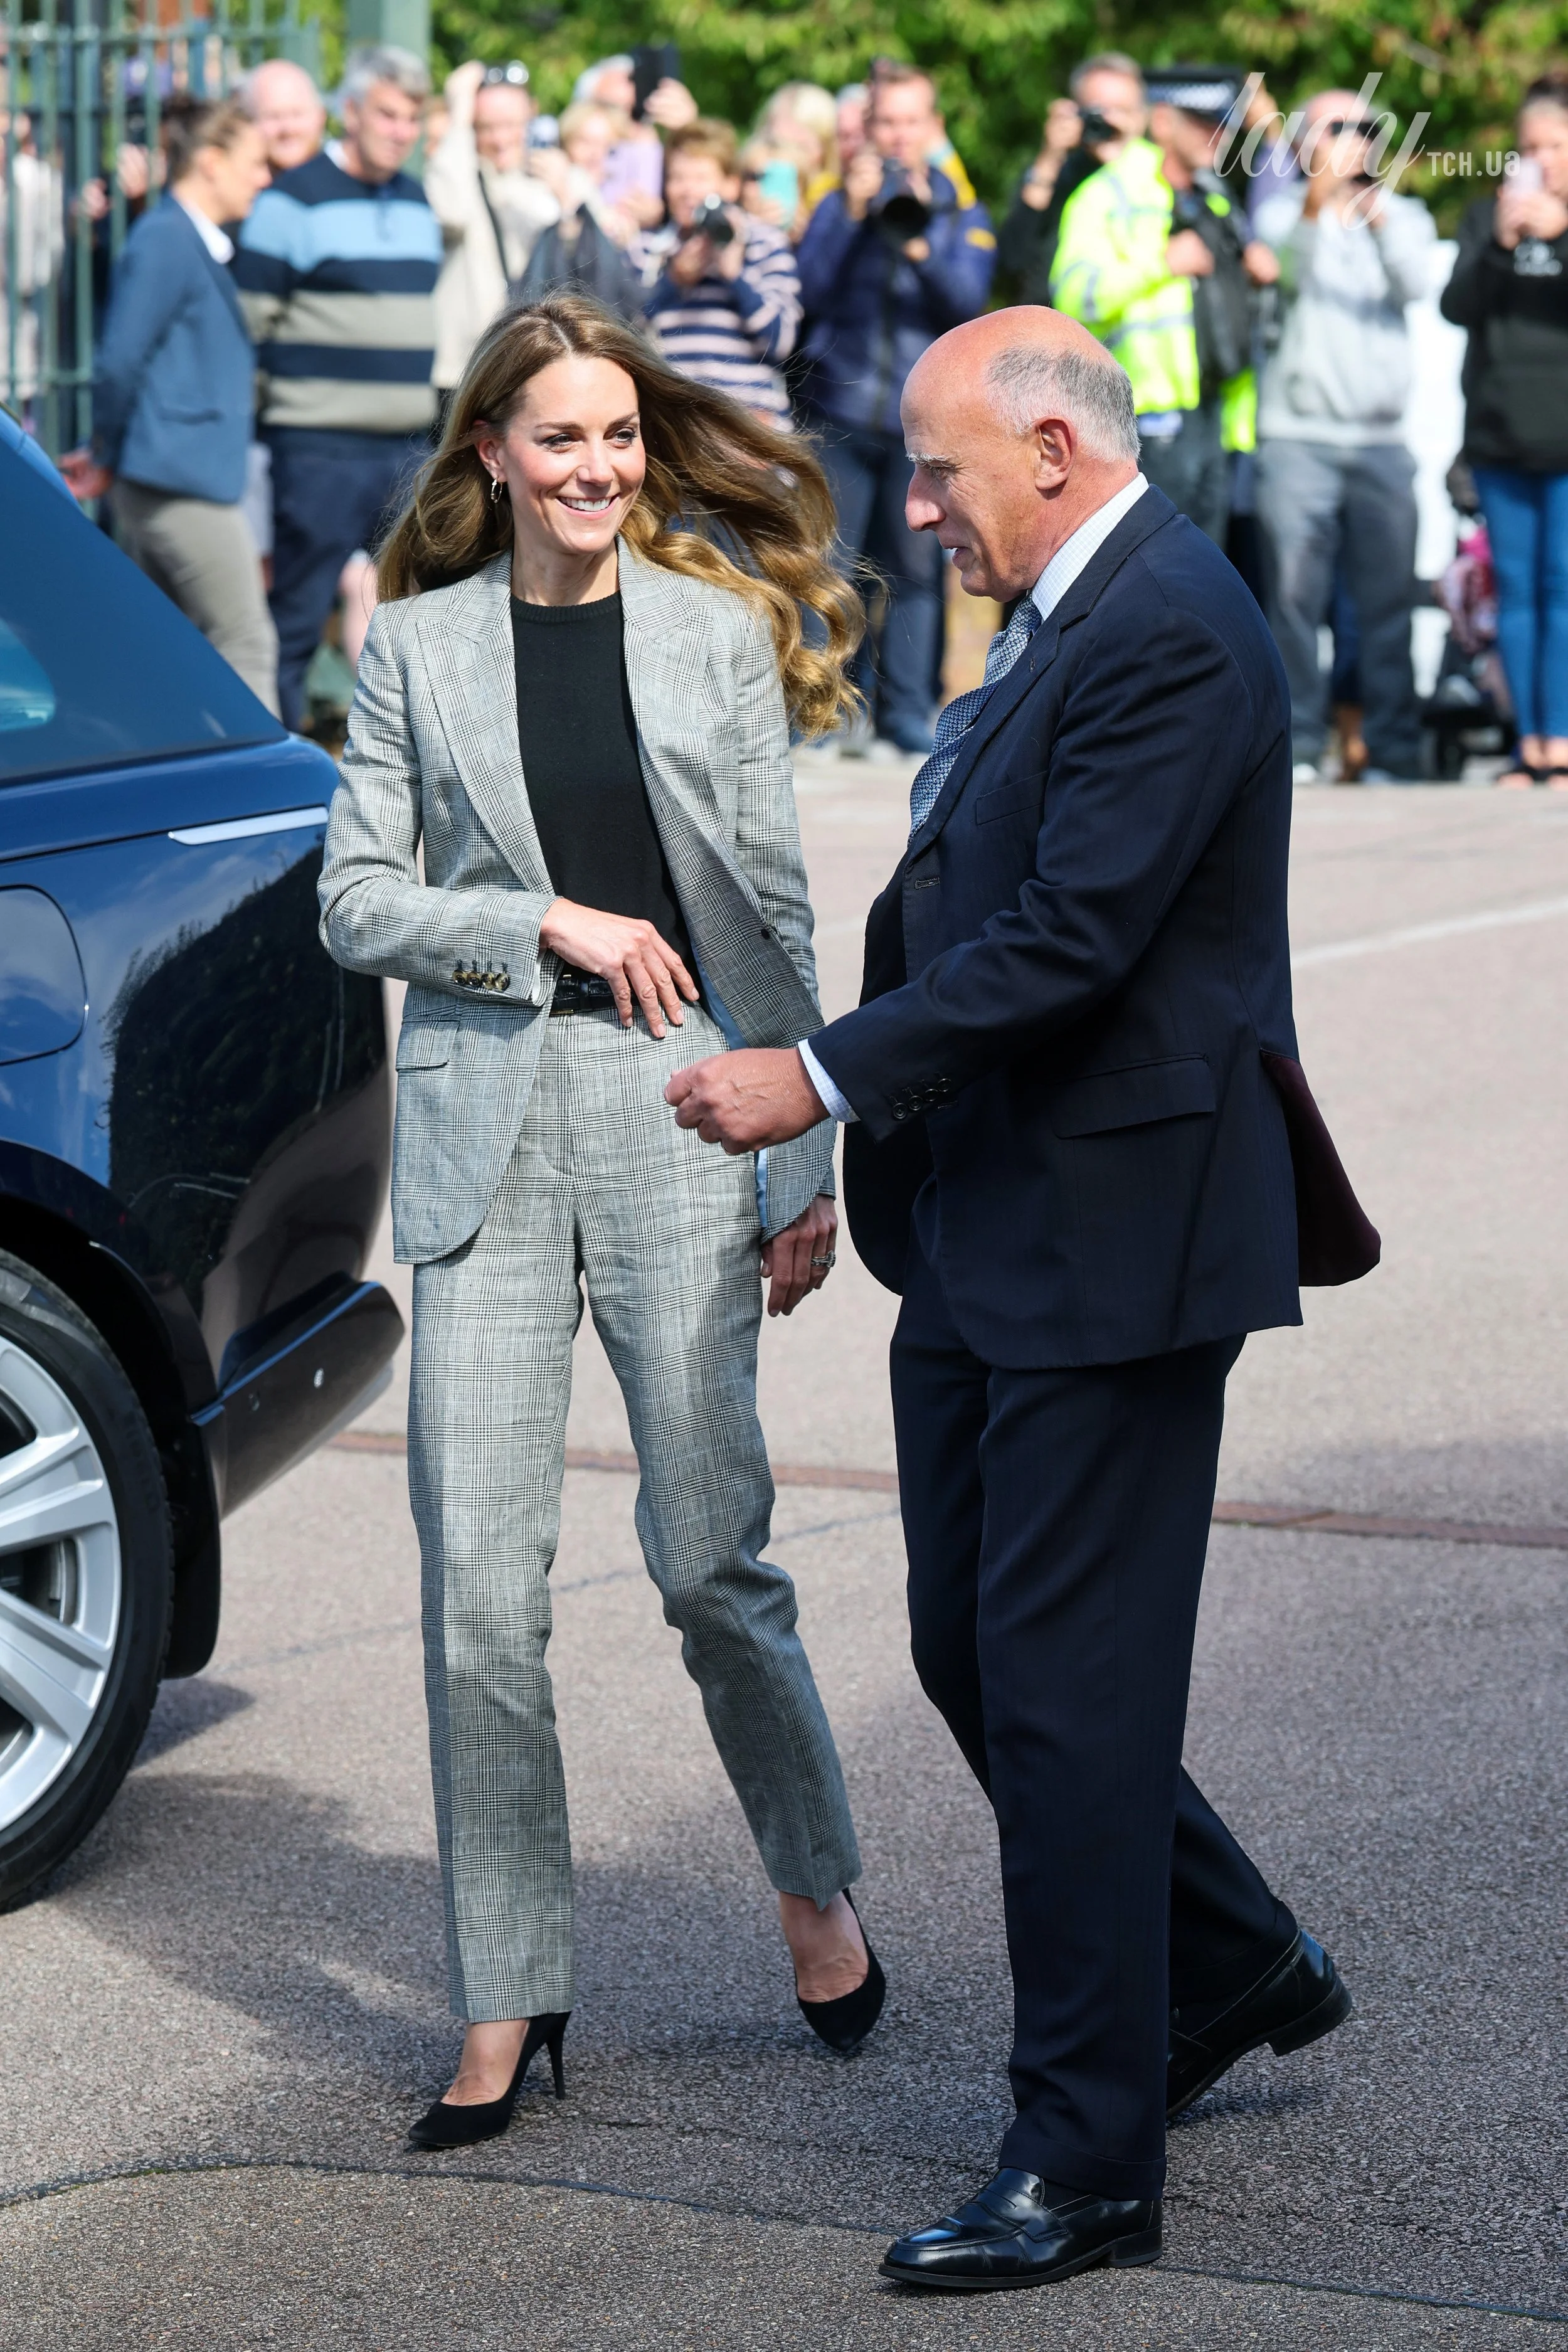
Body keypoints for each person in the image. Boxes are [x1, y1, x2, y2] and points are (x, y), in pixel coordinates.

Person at [665, 305, 1360, 2295]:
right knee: (977, 1645)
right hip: (993, 1214)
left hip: (1114, 1240)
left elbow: (1067, 937)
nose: (918, 507)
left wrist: (811, 1072)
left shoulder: (1166, 621)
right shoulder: (1078, 598)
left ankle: (1084, 2153)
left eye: (941, 468)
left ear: (1050, 448)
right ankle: (1227, 1954)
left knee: (1062, 1693)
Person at [317, 291, 881, 2148]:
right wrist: (537, 920)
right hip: (488, 1122)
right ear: (491, 453)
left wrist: (799, 1164)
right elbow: (355, 899)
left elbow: (771, 914)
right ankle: (507, 1989)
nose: (593, 468)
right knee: (479, 1593)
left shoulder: (715, 639)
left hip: (678, 1107)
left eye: (618, 438)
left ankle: (809, 1885)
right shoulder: (412, 650)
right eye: (557, 439)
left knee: (709, 1551)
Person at [233, 45, 442, 732]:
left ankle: (396, 765)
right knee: (296, 617)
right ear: (348, 112)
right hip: (318, 448)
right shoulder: (290, 201)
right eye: (387, 113)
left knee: (412, 616)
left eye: (412, 117)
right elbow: (247, 327)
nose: (401, 130)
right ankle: (277, 762)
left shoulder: (415, 200)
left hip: (406, 448)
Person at [797, 63, 995, 753]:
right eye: (887, 122)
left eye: (911, 122)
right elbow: (808, 294)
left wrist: (915, 240)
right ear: (869, 126)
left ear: (930, 126)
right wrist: (851, 219)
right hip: (841, 411)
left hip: (922, 425)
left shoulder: (958, 210)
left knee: (915, 575)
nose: (898, 135)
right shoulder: (836, 202)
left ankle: (907, 715)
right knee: (829, 569)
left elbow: (966, 304)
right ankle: (822, 713)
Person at [59, 95, 278, 712]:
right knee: (246, 640)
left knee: (150, 653)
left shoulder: (184, 239)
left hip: (177, 473)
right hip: (176, 479)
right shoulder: (165, 238)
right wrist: (105, 448)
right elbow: (120, 361)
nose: (264, 176)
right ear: (210, 162)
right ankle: (270, 798)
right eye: (254, 163)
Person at [1250, 91, 1435, 784]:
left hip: (1381, 442)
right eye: (1335, 128)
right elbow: (1287, 277)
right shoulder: (1277, 214)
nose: (1353, 139)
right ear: (1302, 145)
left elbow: (1415, 284)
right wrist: (1317, 205)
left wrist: (1376, 211)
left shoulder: (1406, 215)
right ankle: (1297, 745)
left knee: (1387, 603)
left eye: (1364, 127)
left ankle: (1390, 748)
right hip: (1297, 437)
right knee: (1294, 603)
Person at [1051, 66, 1279, 546]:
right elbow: (1073, 298)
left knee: (1201, 572)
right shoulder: (1106, 194)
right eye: (1202, 122)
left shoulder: (1214, 200)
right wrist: (1162, 264)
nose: (1218, 136)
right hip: (1145, 423)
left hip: (1214, 418)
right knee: (1149, 570)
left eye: (1224, 124)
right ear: (1161, 122)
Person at [1441, 72, 1568, 787]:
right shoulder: (1480, 218)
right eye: (1528, 145)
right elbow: (1457, 307)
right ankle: (1529, 744)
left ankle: (1565, 736)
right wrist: (1498, 240)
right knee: (1514, 592)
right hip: (1498, 438)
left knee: (1564, 587)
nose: (1539, 158)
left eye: (1553, 144)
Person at [637, 119, 801, 424]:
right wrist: (672, 283)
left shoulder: (765, 242)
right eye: (677, 178)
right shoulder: (650, 249)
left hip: (750, 423)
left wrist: (735, 275)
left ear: (730, 185)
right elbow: (626, 338)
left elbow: (781, 343)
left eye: (701, 178)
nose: (688, 191)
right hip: (677, 424)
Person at [427, 60, 561, 408]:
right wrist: (458, 117)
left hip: (545, 365)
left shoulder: (558, 178)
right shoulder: (460, 175)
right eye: (485, 127)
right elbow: (449, 212)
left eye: (509, 125)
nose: (500, 139)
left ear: (532, 115)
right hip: (465, 370)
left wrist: (570, 198)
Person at [997, 53, 1147, 307]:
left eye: (1121, 111)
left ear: (1143, 117)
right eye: (1098, 111)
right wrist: (1050, 157)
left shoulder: (1163, 178)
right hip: (1057, 331)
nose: (1108, 122)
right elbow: (1012, 262)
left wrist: (1121, 162)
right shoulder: (1058, 173)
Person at [241, 56, 327, 172]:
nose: (288, 129)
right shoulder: (237, 186)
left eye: (297, 114)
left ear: (321, 117)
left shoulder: (346, 181)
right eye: (273, 116)